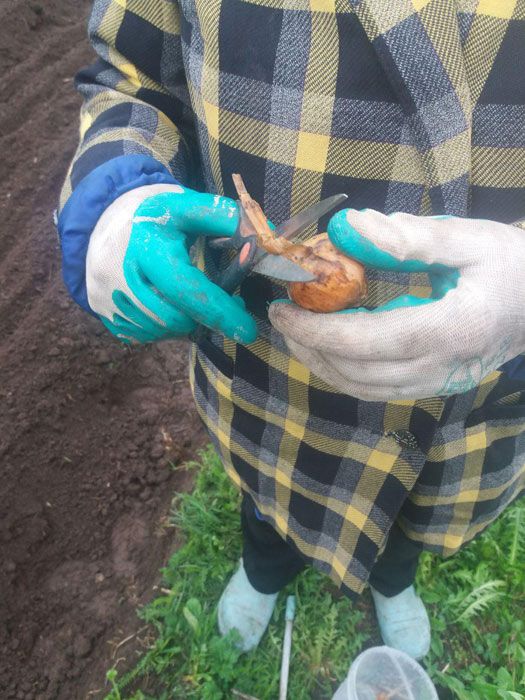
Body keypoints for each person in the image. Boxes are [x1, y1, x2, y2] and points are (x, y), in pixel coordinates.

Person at [58, 0, 525, 661]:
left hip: (479, 389)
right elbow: (129, 74)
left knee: (409, 520)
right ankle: (265, 569)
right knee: (270, 499)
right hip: (272, 376)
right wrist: (116, 193)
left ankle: (392, 582)